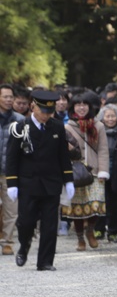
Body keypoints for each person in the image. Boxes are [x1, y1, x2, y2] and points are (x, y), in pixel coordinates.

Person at [5, 90, 74, 270]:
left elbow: (63, 156)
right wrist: (12, 183)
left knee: (50, 225)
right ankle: (24, 245)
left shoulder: (57, 127)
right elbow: (11, 158)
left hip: (51, 182)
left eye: (49, 112)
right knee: (26, 222)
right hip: (29, 183)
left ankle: (45, 261)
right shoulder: (20, 127)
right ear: (33, 106)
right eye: (43, 111)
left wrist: (68, 180)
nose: (46, 115)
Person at [63, 92, 110, 252]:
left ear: (90, 107)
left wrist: (104, 170)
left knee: (95, 204)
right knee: (78, 206)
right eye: (78, 104)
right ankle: (80, 238)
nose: (81, 107)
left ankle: (90, 230)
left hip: (95, 171)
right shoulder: (67, 127)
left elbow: (103, 149)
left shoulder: (99, 126)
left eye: (84, 104)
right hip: (76, 171)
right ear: (73, 107)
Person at [97, 104, 117, 243]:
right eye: (107, 116)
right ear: (102, 118)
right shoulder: (97, 131)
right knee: (100, 202)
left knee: (116, 204)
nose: (110, 119)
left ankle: (113, 232)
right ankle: (98, 229)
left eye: (113, 116)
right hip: (101, 171)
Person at [0, 83, 25, 257]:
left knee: (11, 209)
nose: (9, 100)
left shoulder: (19, 120)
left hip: (10, 171)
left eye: (11, 97)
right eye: (5, 97)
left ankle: (7, 242)